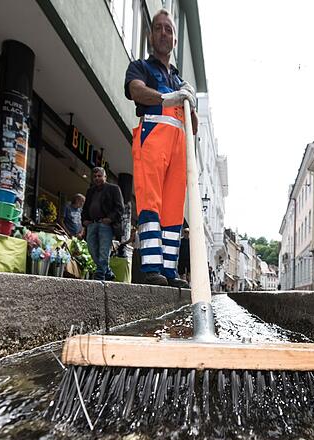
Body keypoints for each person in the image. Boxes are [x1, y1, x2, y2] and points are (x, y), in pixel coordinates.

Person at [124, 8, 197, 288]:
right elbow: (136, 91)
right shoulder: (141, 67)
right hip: (153, 138)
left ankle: (168, 270)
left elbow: (193, 127)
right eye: (158, 28)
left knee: (174, 211)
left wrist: (189, 101)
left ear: (175, 40)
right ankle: (152, 268)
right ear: (150, 35)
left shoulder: (179, 80)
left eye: (169, 29)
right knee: (150, 204)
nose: (164, 33)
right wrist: (169, 98)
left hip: (179, 147)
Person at [82, 167, 124, 281]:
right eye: (95, 176)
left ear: (105, 177)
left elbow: (120, 208)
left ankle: (100, 274)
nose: (97, 178)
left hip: (105, 225)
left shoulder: (113, 189)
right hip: (92, 224)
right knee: (92, 249)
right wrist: (84, 220)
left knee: (104, 250)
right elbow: (85, 208)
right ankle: (108, 271)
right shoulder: (90, 191)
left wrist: (109, 219)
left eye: (99, 176)